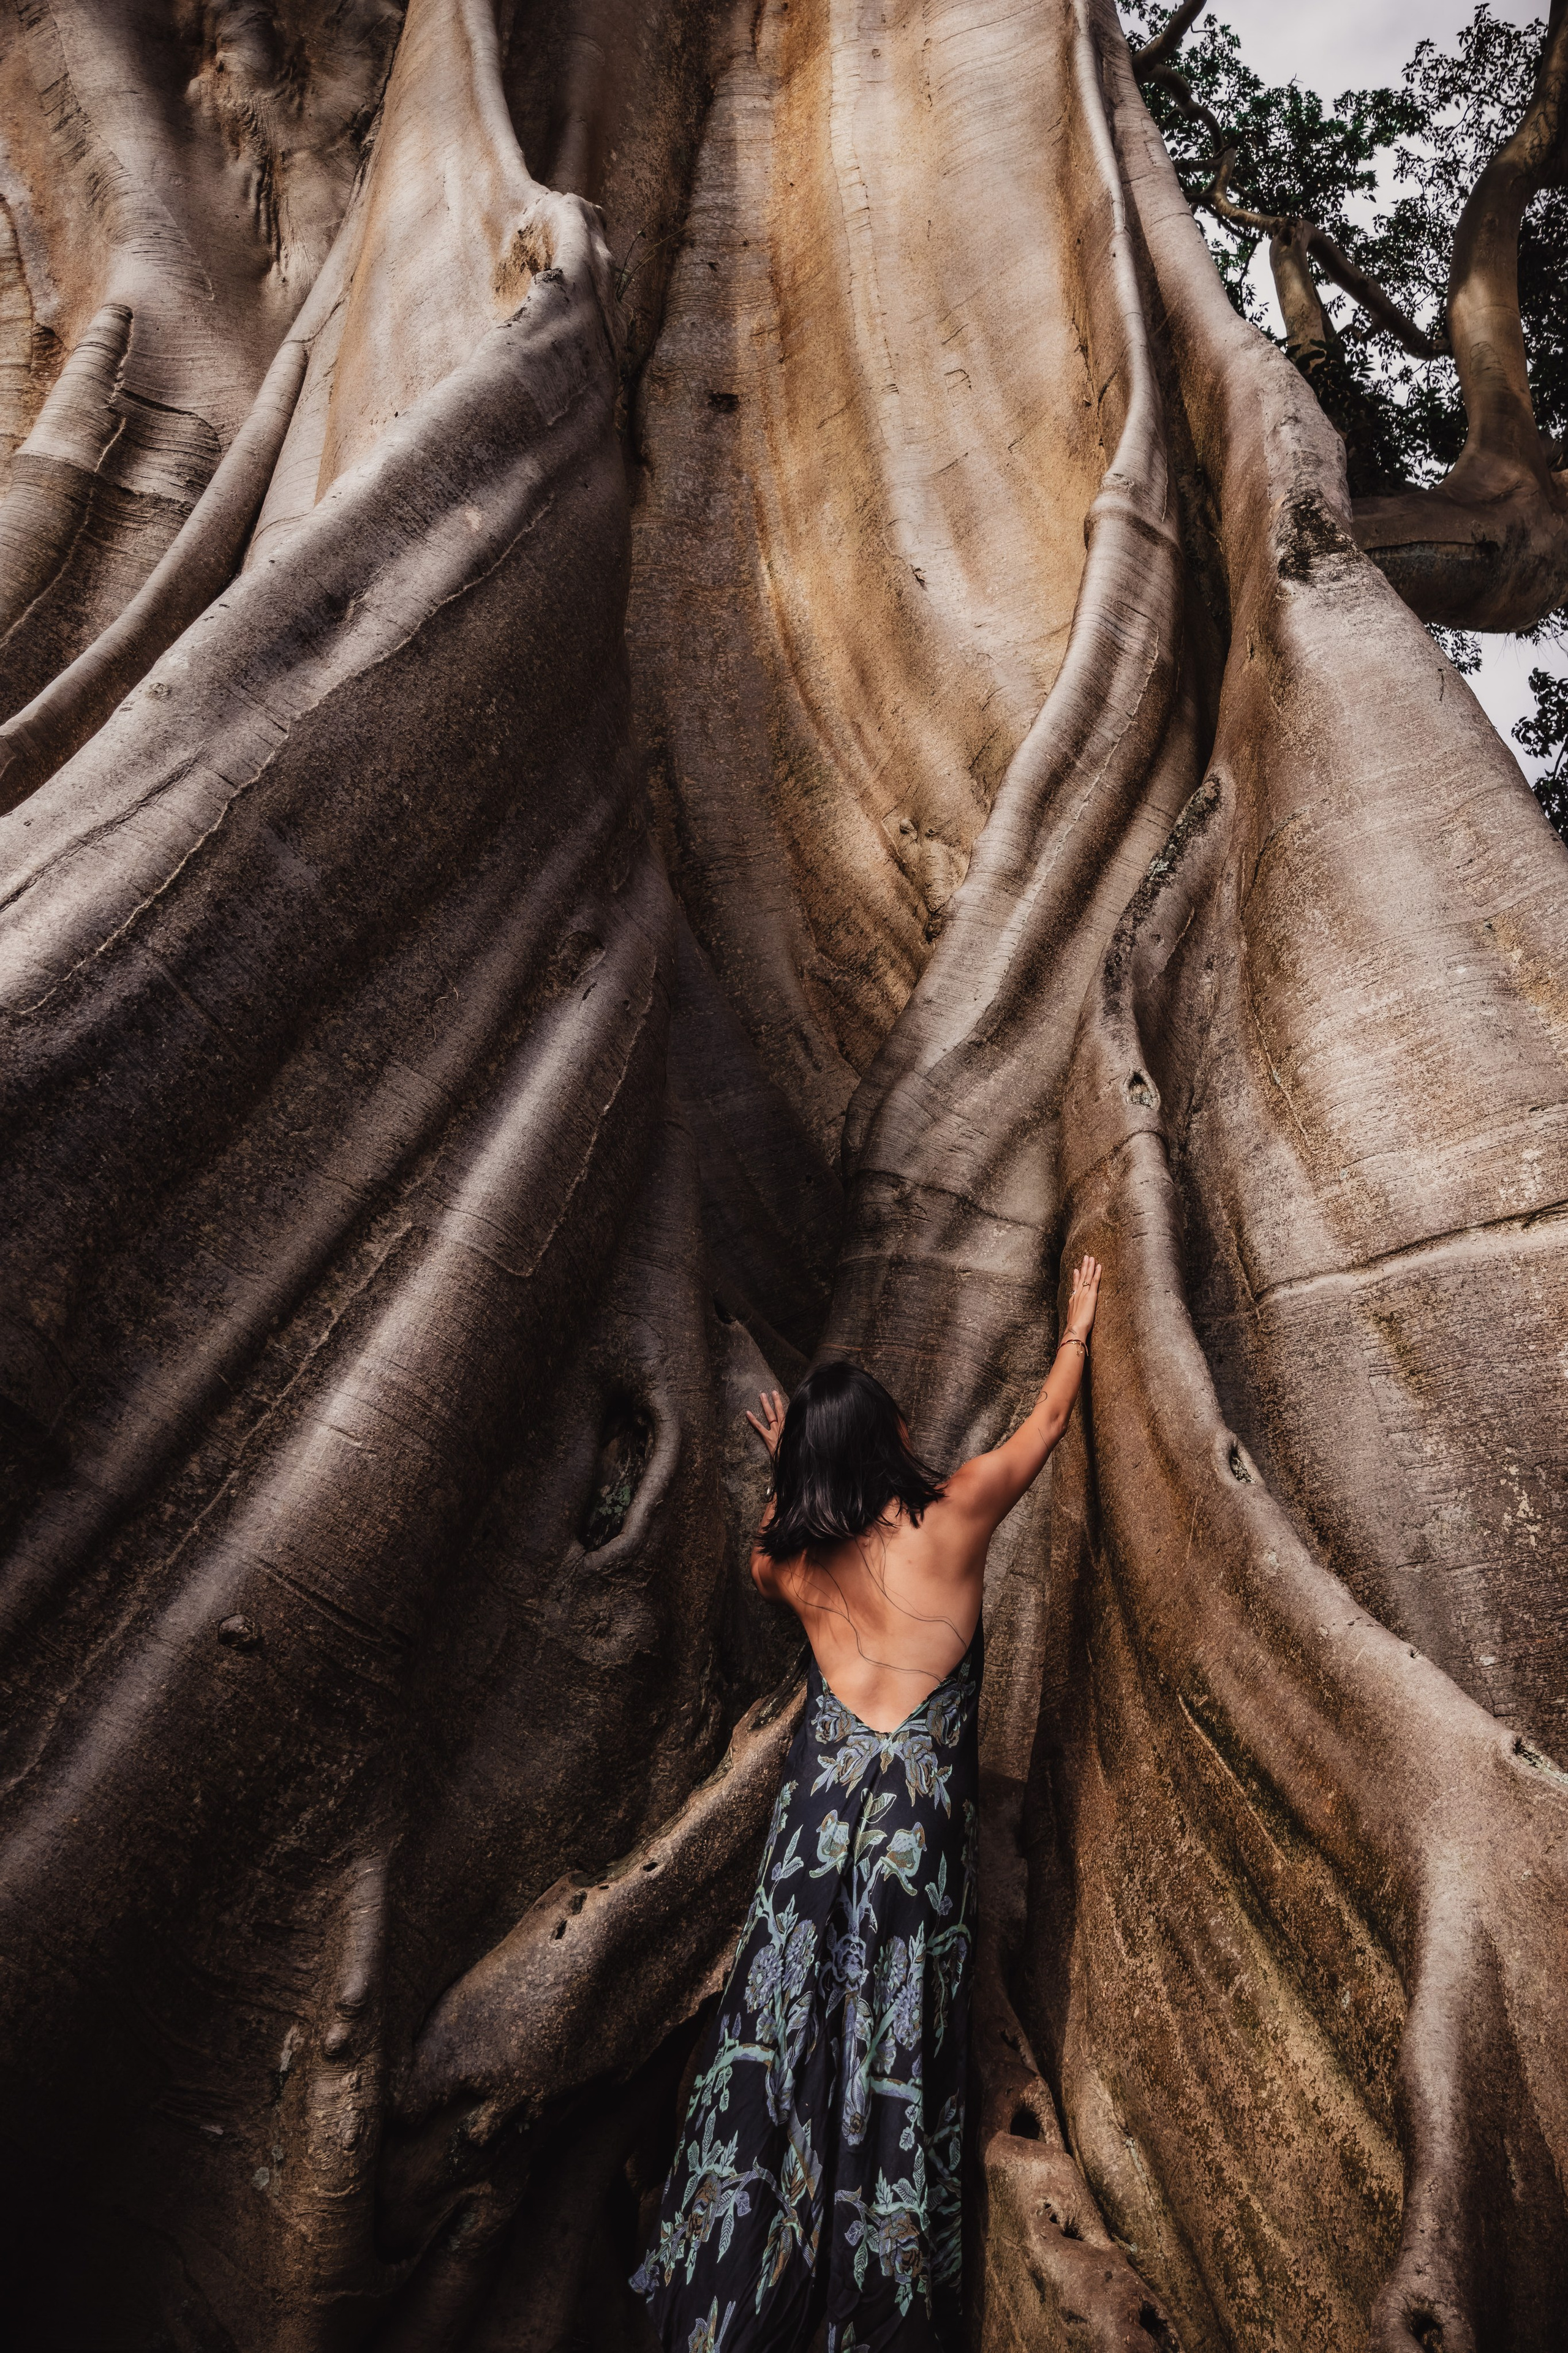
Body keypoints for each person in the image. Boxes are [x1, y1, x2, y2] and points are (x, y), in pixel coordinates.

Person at [632, 1256, 1102, 2353]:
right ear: (891, 1435)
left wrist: (785, 1473)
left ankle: (728, 2301)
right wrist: (1077, 1323)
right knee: (895, 2049)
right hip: (911, 1839)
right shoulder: (956, 1516)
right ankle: (871, 2318)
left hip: (813, 1828)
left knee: (781, 2040)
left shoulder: (793, 1570)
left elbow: (762, 1546)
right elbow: (1043, 1424)